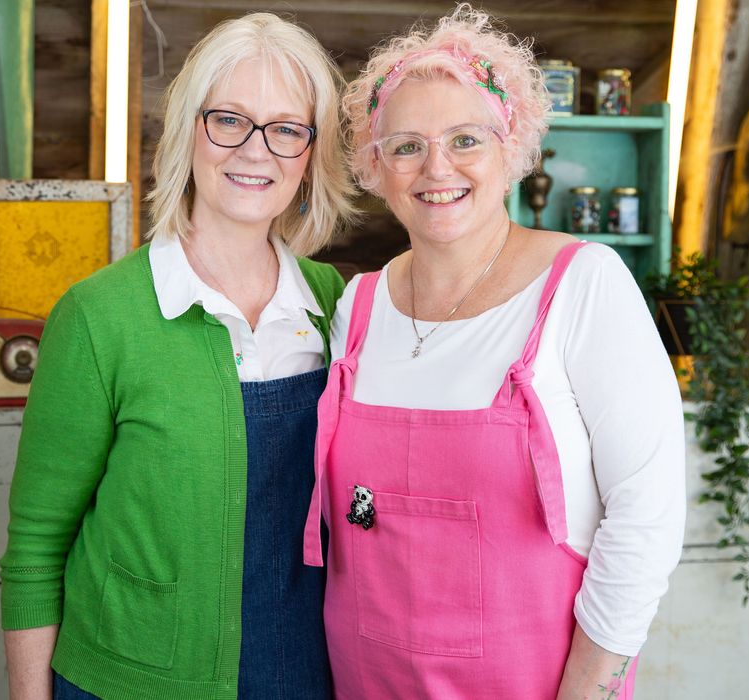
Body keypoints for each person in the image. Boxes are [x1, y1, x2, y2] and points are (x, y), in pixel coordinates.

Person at [301, 5, 686, 698]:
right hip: (366, 678)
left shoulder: (582, 285)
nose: (435, 167)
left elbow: (647, 516)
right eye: (406, 145)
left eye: (465, 139)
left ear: (512, 149)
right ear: (375, 165)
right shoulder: (356, 308)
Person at [0, 13, 355, 699]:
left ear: (311, 154)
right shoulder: (100, 314)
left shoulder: (332, 304)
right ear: (189, 128)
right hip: (125, 680)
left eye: (285, 129)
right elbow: (36, 544)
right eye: (229, 120)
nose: (256, 151)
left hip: (297, 672)